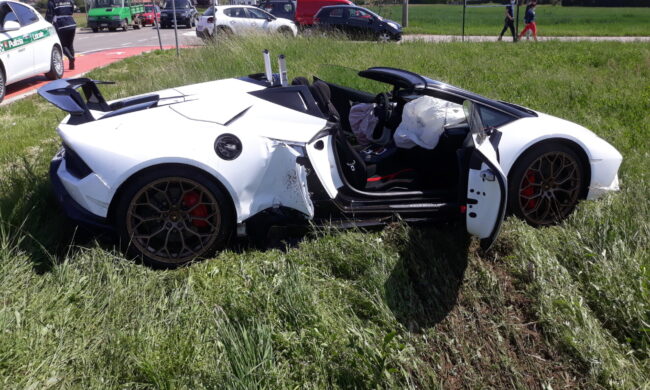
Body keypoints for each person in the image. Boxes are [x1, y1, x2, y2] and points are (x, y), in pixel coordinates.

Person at [46, 0, 77, 70]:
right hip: (72, 23)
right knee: (70, 45)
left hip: (61, 25)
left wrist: (47, 24)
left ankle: (70, 58)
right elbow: (72, 10)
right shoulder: (70, 1)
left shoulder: (52, 1)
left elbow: (49, 15)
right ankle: (72, 65)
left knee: (62, 45)